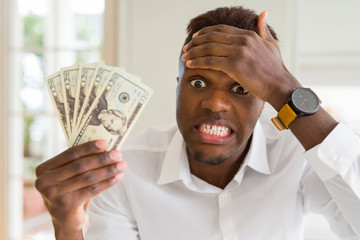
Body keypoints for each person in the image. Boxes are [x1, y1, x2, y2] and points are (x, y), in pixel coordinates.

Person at [35, 6, 360, 240]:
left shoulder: (297, 159)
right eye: (198, 83)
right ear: (176, 84)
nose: (215, 103)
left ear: (265, 99)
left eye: (241, 88)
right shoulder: (122, 170)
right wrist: (67, 228)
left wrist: (287, 91)